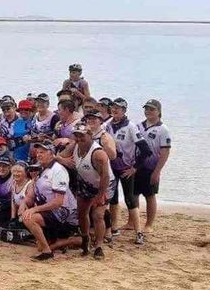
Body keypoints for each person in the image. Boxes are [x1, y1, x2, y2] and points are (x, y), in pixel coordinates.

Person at [21, 142, 80, 261]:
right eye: (37, 152)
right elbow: (31, 194)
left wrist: (34, 209)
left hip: (64, 214)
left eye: (42, 152)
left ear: (51, 154)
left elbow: (58, 202)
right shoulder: (41, 169)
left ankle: (48, 251)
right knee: (38, 245)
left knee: (28, 218)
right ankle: (60, 243)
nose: (38, 155)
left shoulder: (58, 170)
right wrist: (24, 203)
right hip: (50, 211)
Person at [104, 98, 148, 244]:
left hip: (125, 168)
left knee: (130, 200)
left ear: (124, 111)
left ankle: (139, 232)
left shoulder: (130, 126)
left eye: (119, 108)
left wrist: (134, 168)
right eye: (113, 107)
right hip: (111, 168)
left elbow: (145, 150)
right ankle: (114, 228)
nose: (115, 110)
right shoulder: (107, 125)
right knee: (112, 198)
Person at [69, 123, 113, 259]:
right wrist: (63, 160)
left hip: (104, 184)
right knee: (82, 214)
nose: (78, 139)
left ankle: (99, 246)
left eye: (81, 135)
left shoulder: (98, 154)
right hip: (85, 183)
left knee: (98, 215)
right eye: (76, 135)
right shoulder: (74, 145)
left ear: (90, 135)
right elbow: (60, 156)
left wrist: (100, 196)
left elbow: (105, 176)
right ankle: (85, 239)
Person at [135, 99, 171, 235]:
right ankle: (133, 222)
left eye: (152, 109)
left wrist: (157, 171)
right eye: (147, 109)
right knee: (134, 194)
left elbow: (165, 152)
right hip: (137, 166)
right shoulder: (138, 126)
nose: (148, 111)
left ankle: (149, 224)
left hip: (152, 168)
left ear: (159, 111)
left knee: (150, 195)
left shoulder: (163, 129)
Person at [10, 162, 34, 228]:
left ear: (26, 173)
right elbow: (13, 201)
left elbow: (30, 204)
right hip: (19, 213)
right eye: (14, 171)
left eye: (19, 172)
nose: (16, 174)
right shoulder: (14, 183)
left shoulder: (30, 185)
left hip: (29, 214)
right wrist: (13, 218)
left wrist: (21, 219)